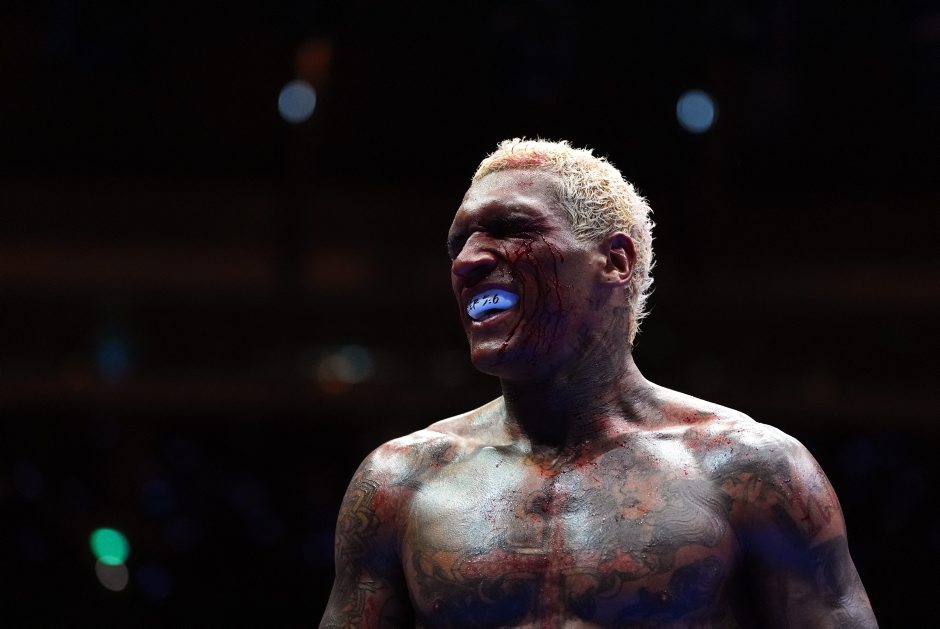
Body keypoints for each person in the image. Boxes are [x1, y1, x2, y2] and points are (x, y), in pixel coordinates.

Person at [320, 139, 877, 628]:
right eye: (457, 243)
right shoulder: (401, 481)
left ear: (614, 261)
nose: (467, 261)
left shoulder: (752, 472)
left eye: (511, 229)